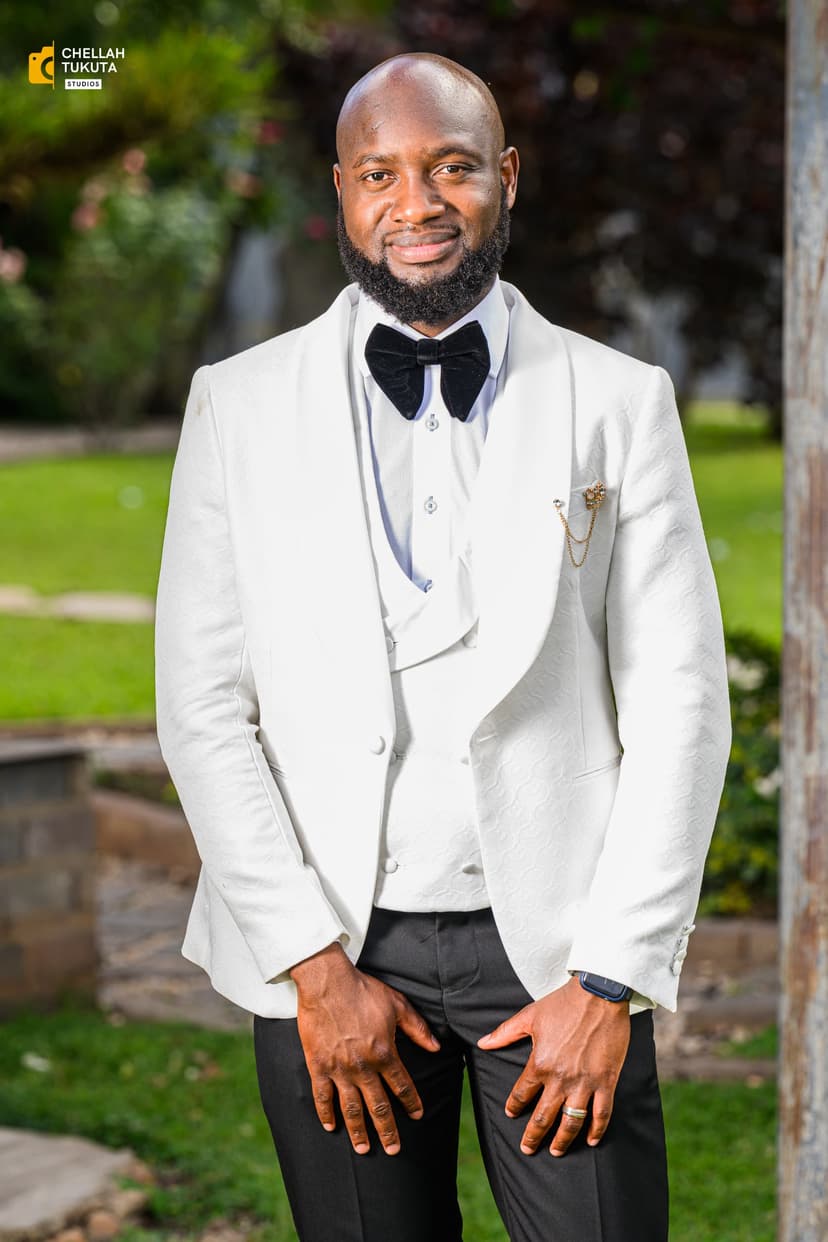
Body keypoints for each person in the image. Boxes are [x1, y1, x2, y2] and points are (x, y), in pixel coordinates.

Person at [155, 51, 731, 1242]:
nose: (414, 203)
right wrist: (313, 968)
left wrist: (612, 979)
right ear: (342, 194)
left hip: (562, 958)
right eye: (381, 174)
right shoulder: (239, 406)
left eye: (450, 167)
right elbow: (203, 705)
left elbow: (682, 701)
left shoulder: (616, 401)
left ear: (505, 179)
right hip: (332, 952)